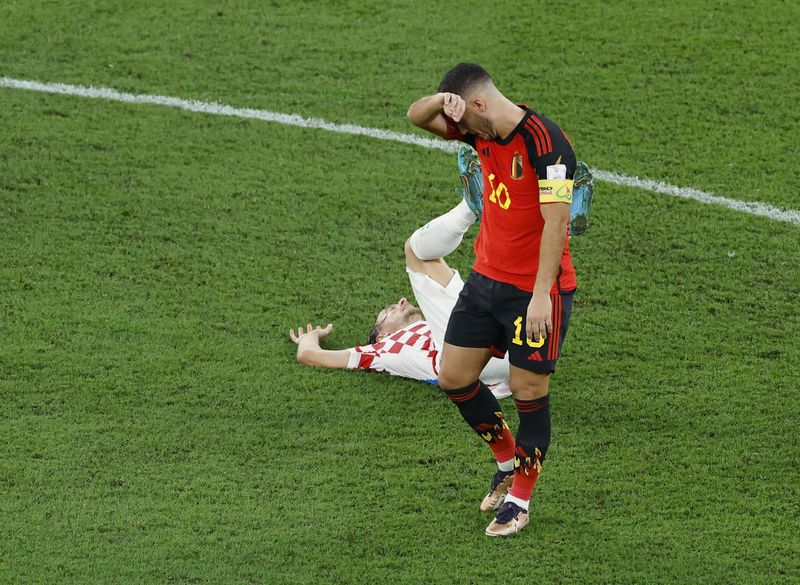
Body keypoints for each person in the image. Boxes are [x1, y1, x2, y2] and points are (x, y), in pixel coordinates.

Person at [406, 62, 580, 536]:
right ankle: (506, 461)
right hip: (486, 281)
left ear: (480, 104)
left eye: (463, 118)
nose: (459, 132)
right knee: (454, 378)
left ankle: (521, 499)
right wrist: (442, 103)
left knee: (528, 392)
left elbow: (557, 221)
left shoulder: (546, 142)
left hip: (534, 291)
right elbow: (415, 115)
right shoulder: (477, 131)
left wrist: (542, 295)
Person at [289, 192, 512, 400]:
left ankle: (480, 203)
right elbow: (309, 355)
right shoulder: (382, 350)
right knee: (414, 252)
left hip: (507, 353)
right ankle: (471, 205)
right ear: (382, 336)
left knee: (429, 258)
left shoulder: (432, 324)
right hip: (467, 358)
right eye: (387, 312)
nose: (402, 302)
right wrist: (311, 337)